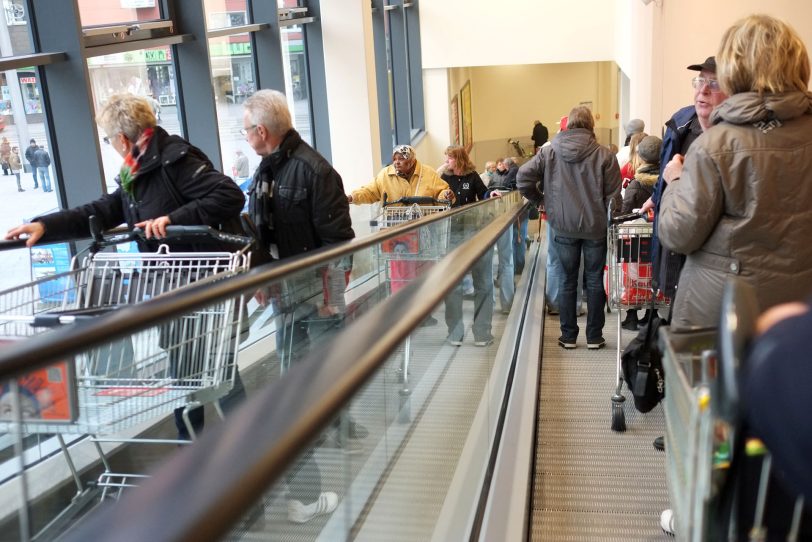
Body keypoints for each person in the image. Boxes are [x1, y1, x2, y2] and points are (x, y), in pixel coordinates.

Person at [5, 93, 246, 441]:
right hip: (175, 285)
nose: (111, 146)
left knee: (203, 374)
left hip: (201, 285)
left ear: (121, 138)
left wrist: (172, 219)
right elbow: (103, 210)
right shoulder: (137, 172)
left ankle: (210, 454)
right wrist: (46, 225)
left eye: (108, 140)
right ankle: (226, 450)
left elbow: (229, 195)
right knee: (205, 374)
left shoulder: (174, 160)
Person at [242, 89, 355, 524]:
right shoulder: (267, 170)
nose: (246, 137)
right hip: (287, 296)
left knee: (320, 380)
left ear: (262, 131)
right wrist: (262, 279)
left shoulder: (314, 170)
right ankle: (322, 445)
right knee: (295, 383)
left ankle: (333, 435)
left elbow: (337, 242)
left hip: (317, 298)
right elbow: (264, 234)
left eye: (247, 130)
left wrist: (331, 299)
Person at [657, 14, 812, 330]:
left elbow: (678, 233)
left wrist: (675, 182)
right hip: (799, 314)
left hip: (723, 319)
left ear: (734, 68)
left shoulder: (716, 145)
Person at [517, 105, 622, 350]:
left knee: (567, 280)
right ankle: (595, 337)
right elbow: (615, 197)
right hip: (595, 228)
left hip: (562, 226)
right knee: (595, 280)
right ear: (591, 126)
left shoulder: (549, 152)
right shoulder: (605, 155)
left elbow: (523, 177)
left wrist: (541, 200)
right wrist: (607, 215)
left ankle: (569, 336)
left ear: (568, 125)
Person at [641, 55, 728, 307]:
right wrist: (657, 196)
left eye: (713, 83)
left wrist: (677, 178)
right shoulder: (681, 124)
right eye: (700, 81)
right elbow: (667, 172)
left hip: (707, 261)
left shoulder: (735, 142)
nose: (703, 90)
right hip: (676, 250)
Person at [441, 145, 495, 347]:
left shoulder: (472, 176)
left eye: (450, 158)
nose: (447, 162)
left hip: (475, 234)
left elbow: (484, 194)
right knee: (453, 285)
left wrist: (492, 195)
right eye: (446, 158)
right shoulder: (444, 178)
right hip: (452, 236)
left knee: (483, 284)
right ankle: (455, 332)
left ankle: (482, 332)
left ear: (460, 159)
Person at [619, 135, 661, 331]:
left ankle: (632, 315)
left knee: (633, 276)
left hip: (636, 243)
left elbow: (626, 211)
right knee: (656, 274)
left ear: (641, 157)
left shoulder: (635, 185)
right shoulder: (667, 183)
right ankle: (652, 314)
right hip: (660, 241)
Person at [347, 144, 452, 205]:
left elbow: (442, 192)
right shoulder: (385, 174)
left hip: (424, 228)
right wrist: (352, 197)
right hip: (394, 229)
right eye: (394, 159)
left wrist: (446, 195)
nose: (396, 162)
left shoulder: (428, 173)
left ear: (411, 161)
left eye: (401, 159)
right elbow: (369, 191)